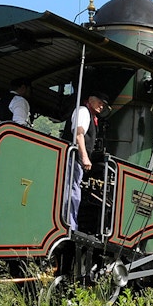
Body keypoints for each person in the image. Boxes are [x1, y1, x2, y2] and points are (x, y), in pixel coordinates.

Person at [63, 91, 109, 231]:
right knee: (72, 192)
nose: (101, 107)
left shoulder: (91, 116)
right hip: (73, 158)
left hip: (76, 160)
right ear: (90, 99)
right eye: (100, 103)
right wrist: (84, 157)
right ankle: (69, 224)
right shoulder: (83, 111)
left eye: (103, 105)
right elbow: (78, 134)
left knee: (75, 191)